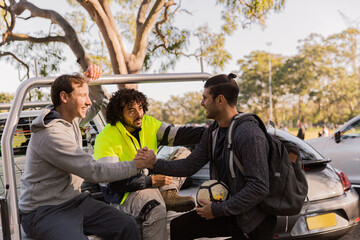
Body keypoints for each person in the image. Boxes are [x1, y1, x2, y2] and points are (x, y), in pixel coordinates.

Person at [18, 65, 157, 240]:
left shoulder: (72, 119)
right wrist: (137, 164)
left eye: (87, 95)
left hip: (74, 201)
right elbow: (94, 171)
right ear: (64, 97)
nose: (88, 101)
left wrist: (91, 80)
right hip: (43, 211)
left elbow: (97, 102)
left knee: (126, 226)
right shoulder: (51, 135)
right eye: (83, 95)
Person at [142, 73, 276, 240]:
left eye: (205, 98)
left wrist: (217, 210)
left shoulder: (249, 134)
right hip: (229, 210)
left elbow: (259, 187)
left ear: (220, 100)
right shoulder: (213, 132)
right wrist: (154, 163)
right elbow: (189, 166)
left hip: (253, 219)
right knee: (180, 227)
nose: (202, 103)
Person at [93, 88, 205, 240]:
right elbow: (113, 184)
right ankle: (163, 196)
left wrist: (212, 131)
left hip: (148, 178)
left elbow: (178, 134)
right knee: (156, 208)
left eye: (140, 108)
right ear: (119, 114)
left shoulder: (147, 122)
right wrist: (151, 181)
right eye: (131, 110)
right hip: (123, 192)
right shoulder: (106, 138)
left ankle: (168, 193)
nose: (139, 114)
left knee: (183, 152)